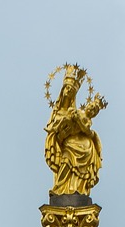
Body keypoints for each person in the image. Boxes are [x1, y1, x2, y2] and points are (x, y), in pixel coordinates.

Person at [44, 65, 107, 195]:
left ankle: (78, 188)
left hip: (84, 146)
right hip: (69, 144)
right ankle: (60, 189)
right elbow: (55, 129)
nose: (92, 109)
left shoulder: (85, 119)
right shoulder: (74, 111)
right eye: (92, 106)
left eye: (95, 110)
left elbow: (86, 129)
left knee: (72, 165)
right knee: (66, 161)